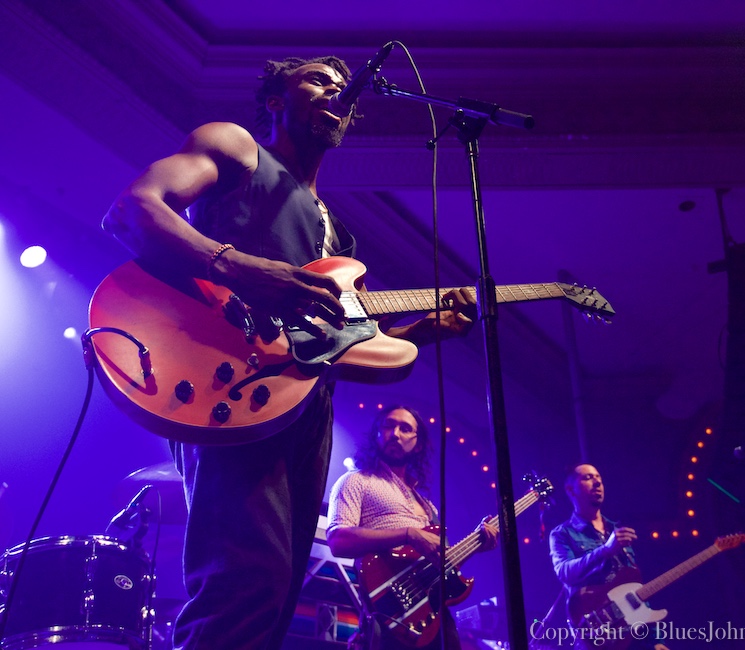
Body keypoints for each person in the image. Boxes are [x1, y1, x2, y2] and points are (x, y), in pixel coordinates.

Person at [102, 54, 475, 650]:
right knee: (244, 581)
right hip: (226, 380)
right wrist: (243, 267)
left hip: (303, 407)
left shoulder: (340, 238)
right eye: (319, 80)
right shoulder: (238, 148)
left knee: (276, 593)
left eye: (343, 88)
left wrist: (421, 332)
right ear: (276, 100)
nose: (338, 92)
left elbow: (341, 349)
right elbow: (135, 208)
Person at [326, 404, 499, 650]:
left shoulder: (427, 506)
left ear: (418, 445)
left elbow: (441, 565)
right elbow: (338, 540)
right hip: (389, 615)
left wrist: (477, 544)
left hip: (434, 617)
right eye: (388, 425)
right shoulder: (355, 481)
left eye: (405, 428)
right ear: (377, 433)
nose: (395, 434)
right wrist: (409, 534)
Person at [548, 464, 669, 650]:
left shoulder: (617, 530)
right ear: (570, 490)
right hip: (596, 635)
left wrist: (656, 640)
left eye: (599, 478)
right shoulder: (562, 534)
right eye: (588, 478)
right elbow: (565, 573)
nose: (597, 482)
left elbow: (636, 589)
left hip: (634, 635)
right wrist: (606, 550)